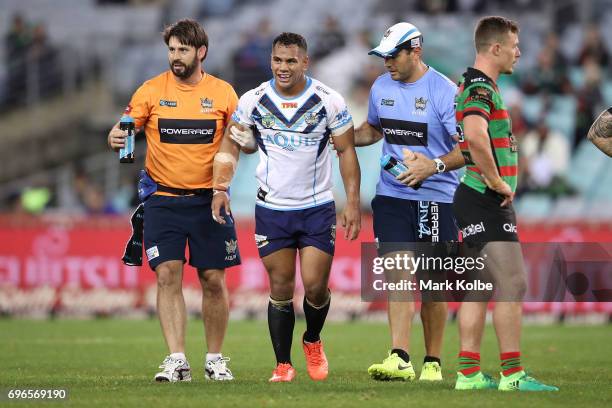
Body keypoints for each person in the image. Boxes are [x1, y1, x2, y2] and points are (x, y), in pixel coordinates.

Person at [211, 32, 361, 382]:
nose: (283, 67)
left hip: (317, 207)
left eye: (291, 61)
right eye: (278, 60)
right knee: (280, 287)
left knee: (314, 288)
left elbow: (347, 152)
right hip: (272, 209)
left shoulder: (329, 101)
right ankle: (283, 364)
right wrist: (221, 187)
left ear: (305, 62)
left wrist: (352, 202)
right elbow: (232, 143)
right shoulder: (253, 100)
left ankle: (312, 339)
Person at [107, 19, 240, 382]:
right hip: (162, 199)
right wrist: (116, 136)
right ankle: (177, 359)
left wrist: (223, 186)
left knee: (213, 279)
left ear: (201, 52)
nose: (176, 56)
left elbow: (240, 139)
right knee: (167, 274)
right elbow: (124, 129)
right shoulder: (150, 91)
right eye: (172, 49)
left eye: (183, 49)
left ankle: (214, 359)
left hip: (209, 201)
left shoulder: (224, 94)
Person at [354, 22, 464, 382]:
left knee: (433, 282)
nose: (387, 63)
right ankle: (399, 356)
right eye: (383, 56)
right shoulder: (381, 86)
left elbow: (468, 148)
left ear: (415, 51)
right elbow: (374, 129)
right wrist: (342, 136)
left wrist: (432, 167)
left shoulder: (444, 92)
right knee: (397, 271)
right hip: (391, 194)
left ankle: (433, 361)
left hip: (436, 197)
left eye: (393, 55)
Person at [452, 16, 558, 391]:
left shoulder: (471, 84)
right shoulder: (481, 89)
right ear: (495, 48)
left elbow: (466, 145)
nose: (519, 52)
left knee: (479, 286)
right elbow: (477, 137)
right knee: (513, 282)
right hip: (485, 198)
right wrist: (497, 182)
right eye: (514, 45)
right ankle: (512, 375)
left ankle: (468, 374)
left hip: (472, 196)